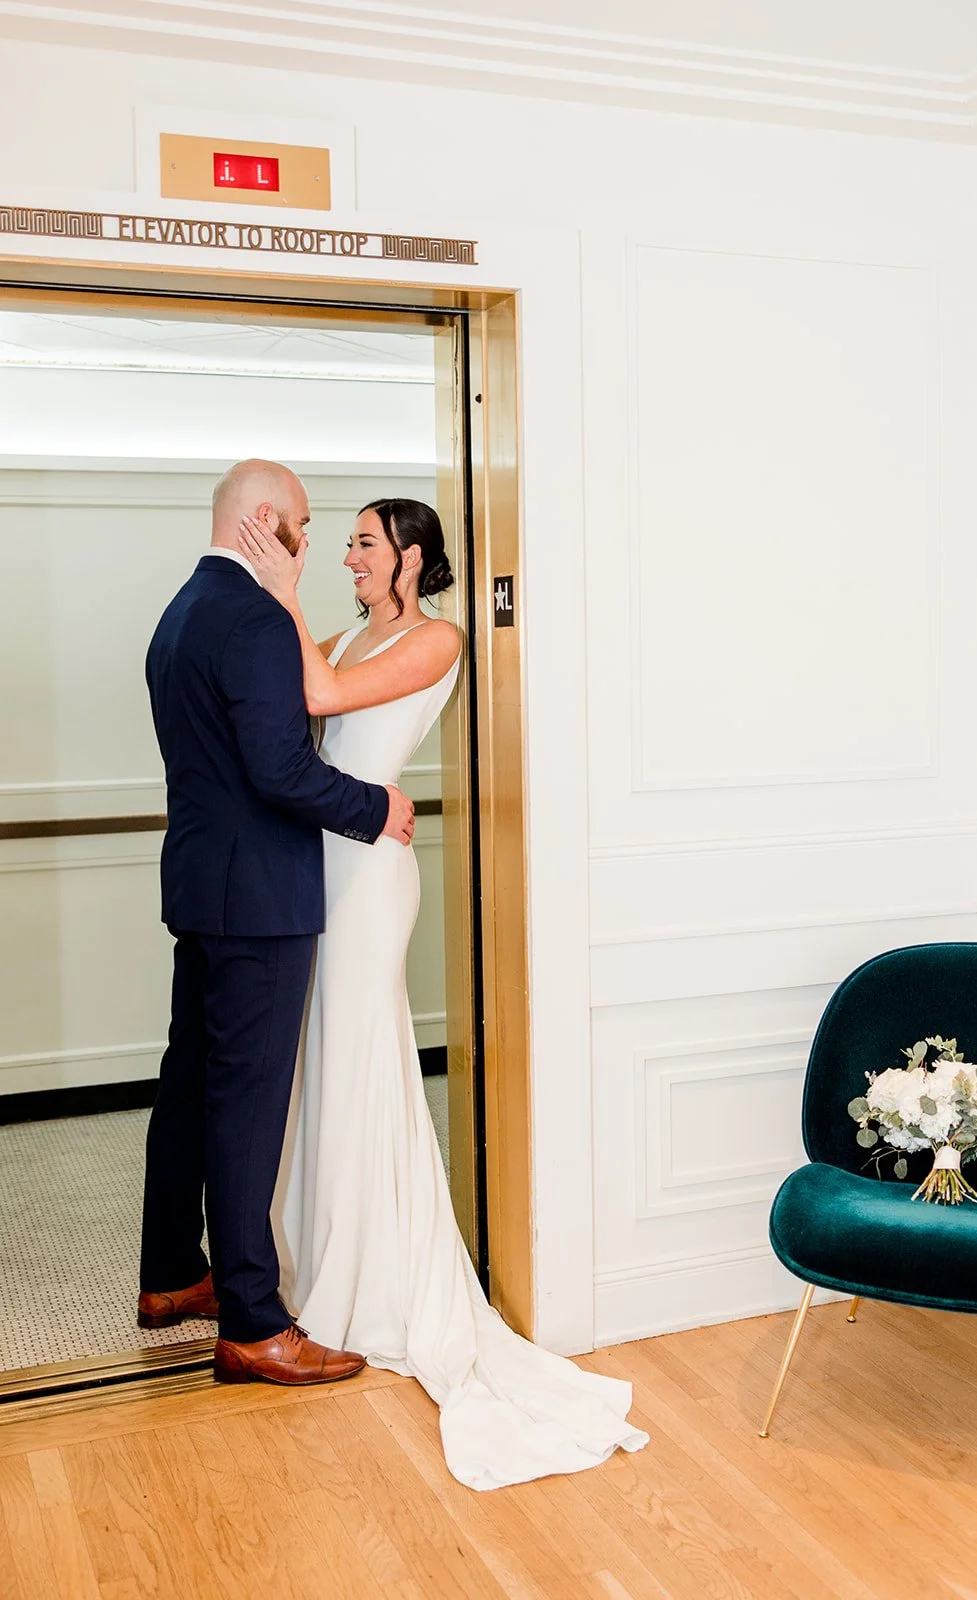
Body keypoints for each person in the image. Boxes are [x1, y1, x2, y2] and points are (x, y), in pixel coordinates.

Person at [238, 497, 649, 1490]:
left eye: (364, 543)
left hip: (371, 876)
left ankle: (376, 1278)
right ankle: (309, 1257)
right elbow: (302, 715)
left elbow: (327, 698)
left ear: (411, 557)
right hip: (321, 858)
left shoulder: (437, 636)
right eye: (347, 545)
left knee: (365, 1052)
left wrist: (282, 592)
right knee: (320, 1056)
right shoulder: (344, 629)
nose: (347, 556)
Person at [140, 460, 416, 1387]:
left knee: (190, 1083)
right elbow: (279, 772)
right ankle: (254, 1320)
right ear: (269, 524)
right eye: (303, 524)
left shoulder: (181, 608)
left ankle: (174, 1273)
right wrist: (377, 809)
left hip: (201, 889)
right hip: (258, 900)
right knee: (247, 1107)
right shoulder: (255, 616)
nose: (314, 542)